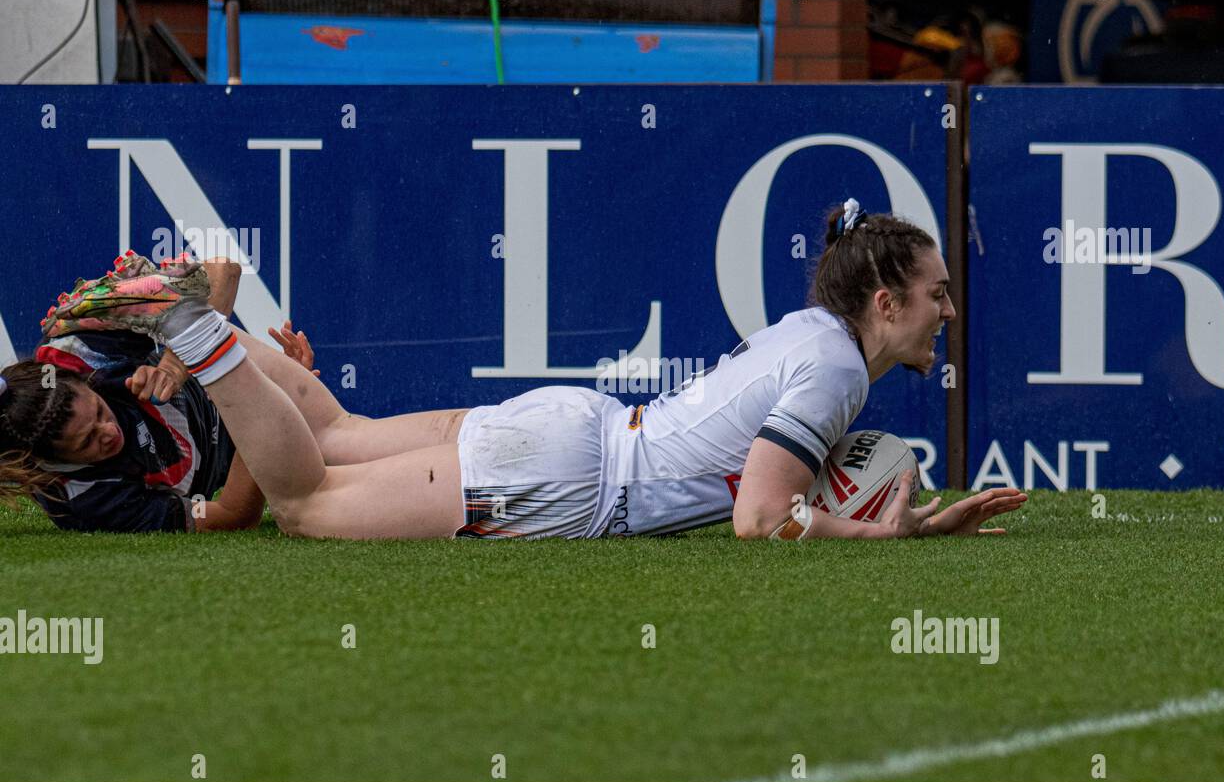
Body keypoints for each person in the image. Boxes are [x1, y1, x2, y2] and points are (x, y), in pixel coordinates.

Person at [39, 201, 1027, 541]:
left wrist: (905, 515)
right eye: (937, 292)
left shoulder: (811, 332)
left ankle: (195, 322)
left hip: (572, 432)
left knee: (332, 437)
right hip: (566, 477)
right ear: (885, 301)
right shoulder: (834, 371)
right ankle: (190, 324)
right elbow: (759, 516)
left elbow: (761, 475)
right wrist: (874, 534)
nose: (948, 309)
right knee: (304, 502)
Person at [0, 255, 316, 532]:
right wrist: (274, 405)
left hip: (237, 377)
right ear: (52, 460)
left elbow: (222, 270)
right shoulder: (89, 501)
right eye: (87, 442)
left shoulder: (77, 348)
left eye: (99, 411)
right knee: (317, 511)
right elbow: (232, 513)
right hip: (243, 455)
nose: (108, 431)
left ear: (83, 381)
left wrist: (173, 367)